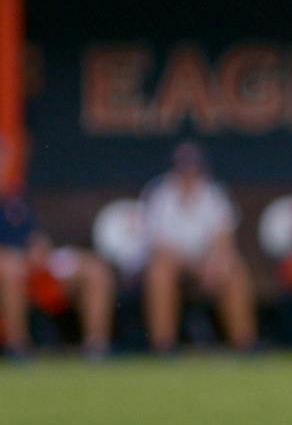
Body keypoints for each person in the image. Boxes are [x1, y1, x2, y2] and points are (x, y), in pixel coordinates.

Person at [0, 138, 115, 359]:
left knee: (94, 269)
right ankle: (18, 347)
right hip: (11, 269)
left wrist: (40, 247)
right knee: (11, 267)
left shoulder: (15, 200)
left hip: (35, 269)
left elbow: (36, 237)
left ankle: (96, 347)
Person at [140, 140, 255, 353]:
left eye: (193, 167)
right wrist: (194, 265)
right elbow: (158, 245)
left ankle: (244, 342)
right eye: (184, 167)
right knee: (160, 270)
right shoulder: (160, 194)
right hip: (174, 262)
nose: (188, 173)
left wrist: (215, 261)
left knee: (233, 268)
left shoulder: (213, 194)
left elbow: (224, 237)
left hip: (207, 263)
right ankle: (163, 344)